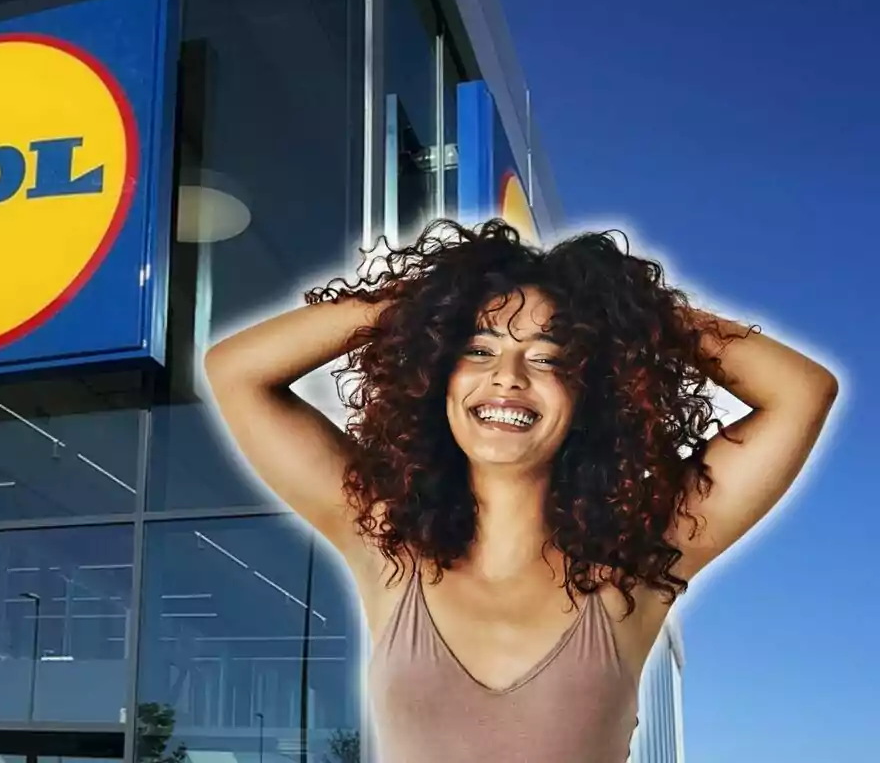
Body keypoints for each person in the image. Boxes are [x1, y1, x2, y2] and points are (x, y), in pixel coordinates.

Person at [203, 219, 839, 763]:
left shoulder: (635, 568)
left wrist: (626, 313)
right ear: (437, 377)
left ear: (590, 390)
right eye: (478, 350)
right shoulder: (385, 541)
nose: (507, 377)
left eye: (547, 358)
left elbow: (802, 391)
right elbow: (235, 371)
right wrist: (434, 301)